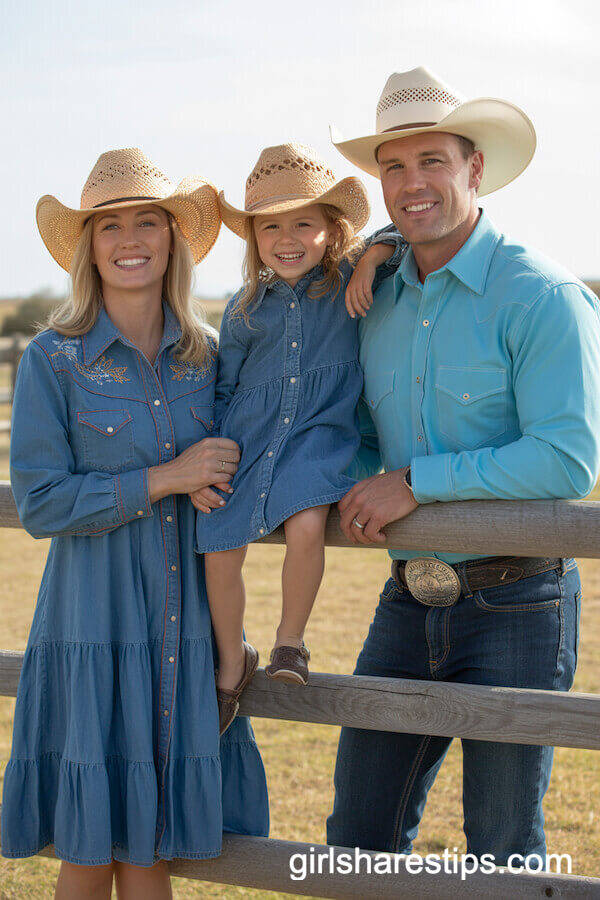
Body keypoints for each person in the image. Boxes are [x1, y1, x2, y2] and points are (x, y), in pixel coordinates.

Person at [326, 68, 600, 865]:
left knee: (504, 847)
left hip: (520, 601)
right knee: (357, 838)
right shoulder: (371, 296)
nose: (412, 184)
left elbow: (566, 456)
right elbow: (368, 436)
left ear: (475, 168)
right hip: (406, 598)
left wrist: (413, 484)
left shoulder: (542, 295)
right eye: (394, 166)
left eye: (433, 162)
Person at [1, 148, 269, 899]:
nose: (130, 237)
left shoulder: (209, 359)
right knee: (90, 850)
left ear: (172, 238)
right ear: (88, 245)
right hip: (93, 619)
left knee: (150, 849)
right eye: (109, 224)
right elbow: (43, 501)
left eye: (148, 220)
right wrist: (167, 478)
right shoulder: (55, 360)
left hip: (182, 631)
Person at [192, 143, 405, 735]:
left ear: (332, 231)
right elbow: (223, 390)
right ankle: (233, 660)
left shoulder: (346, 285)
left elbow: (409, 229)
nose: (287, 238)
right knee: (217, 547)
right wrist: (208, 461)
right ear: (254, 237)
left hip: (317, 437)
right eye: (270, 227)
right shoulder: (242, 309)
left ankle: (291, 643)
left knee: (309, 521)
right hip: (247, 442)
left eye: (303, 223)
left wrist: (370, 259)